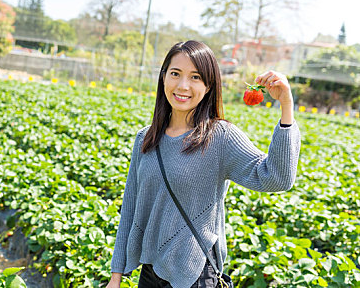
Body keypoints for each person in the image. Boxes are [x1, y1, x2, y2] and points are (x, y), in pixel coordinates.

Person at [107, 41, 301, 288]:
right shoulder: (145, 138)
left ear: (209, 85)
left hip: (194, 274)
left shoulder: (220, 137)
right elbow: (130, 208)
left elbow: (276, 178)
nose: (183, 85)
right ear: (163, 77)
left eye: (195, 77)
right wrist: (116, 275)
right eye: (175, 73)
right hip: (150, 272)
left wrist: (286, 105)